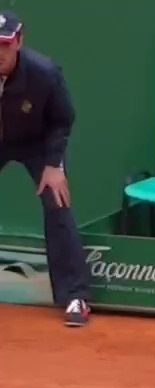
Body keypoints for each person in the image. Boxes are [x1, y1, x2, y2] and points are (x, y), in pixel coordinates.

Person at [0, 10, 92, 326]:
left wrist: (53, 164)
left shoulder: (44, 73)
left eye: (4, 45)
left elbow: (62, 119)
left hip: (38, 142)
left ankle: (76, 296)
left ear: (18, 41)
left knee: (56, 201)